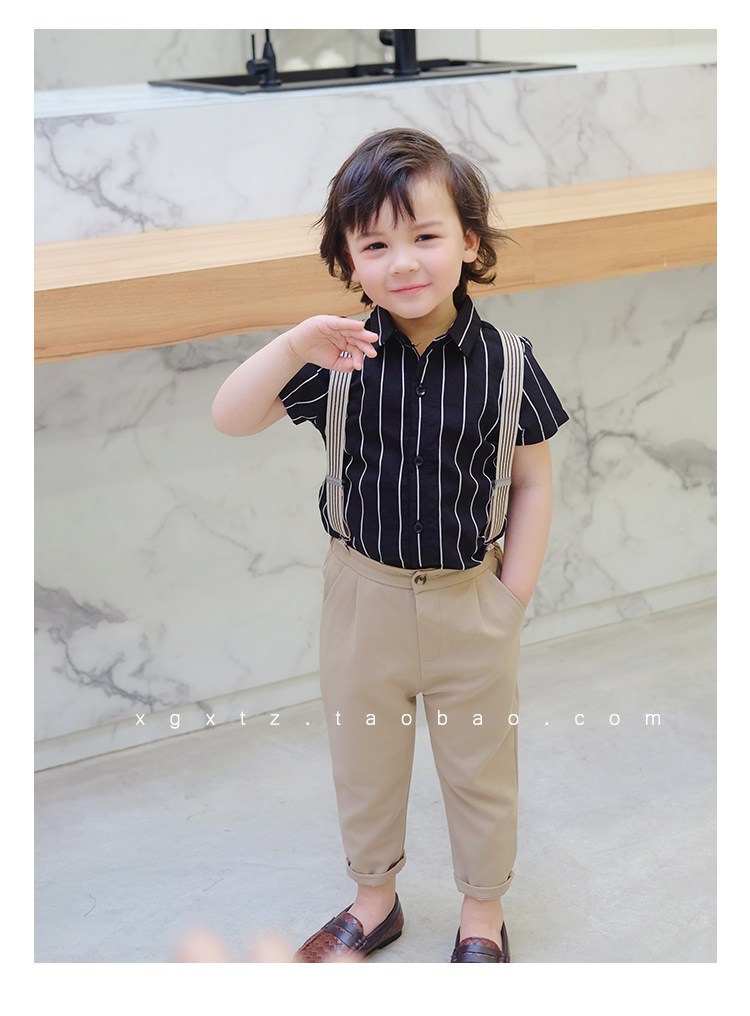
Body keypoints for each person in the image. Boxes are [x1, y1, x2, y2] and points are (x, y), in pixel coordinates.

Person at [212, 127, 568, 963]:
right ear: (349, 260)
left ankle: (483, 912)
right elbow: (230, 417)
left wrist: (511, 598)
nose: (403, 262)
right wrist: (292, 345)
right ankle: (374, 901)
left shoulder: (509, 363)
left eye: (426, 236)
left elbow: (532, 482)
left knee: (481, 765)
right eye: (375, 245)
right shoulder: (337, 357)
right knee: (364, 758)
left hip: (469, 602)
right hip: (361, 600)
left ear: (469, 242)